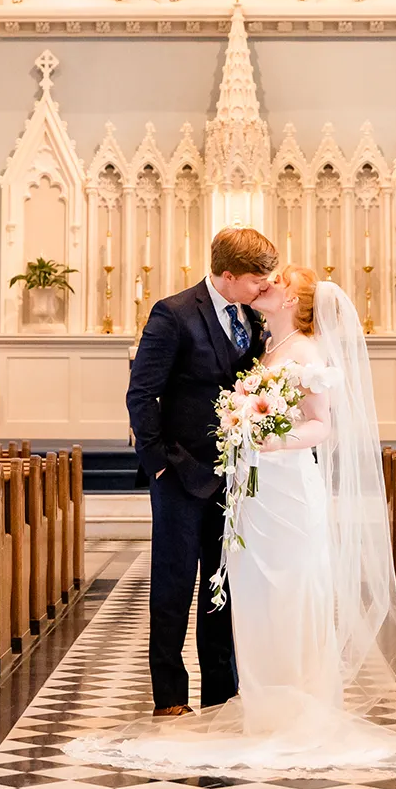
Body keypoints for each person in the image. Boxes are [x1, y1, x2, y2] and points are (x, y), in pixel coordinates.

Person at [73, 264, 396, 777]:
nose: (266, 287)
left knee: (285, 587)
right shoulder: (262, 339)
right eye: (262, 279)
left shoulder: (304, 352)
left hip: (283, 486)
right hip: (241, 487)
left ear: (295, 301)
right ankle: (241, 698)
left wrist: (267, 439)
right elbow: (157, 391)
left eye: (276, 283)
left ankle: (290, 704)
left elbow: (321, 423)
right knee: (245, 589)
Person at [124, 227, 275, 717]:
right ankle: (169, 695)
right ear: (227, 276)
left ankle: (220, 692)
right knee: (174, 584)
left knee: (223, 584)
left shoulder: (254, 316)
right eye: (257, 279)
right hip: (180, 475)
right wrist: (158, 468)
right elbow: (141, 394)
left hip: (235, 475)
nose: (264, 287)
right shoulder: (174, 313)